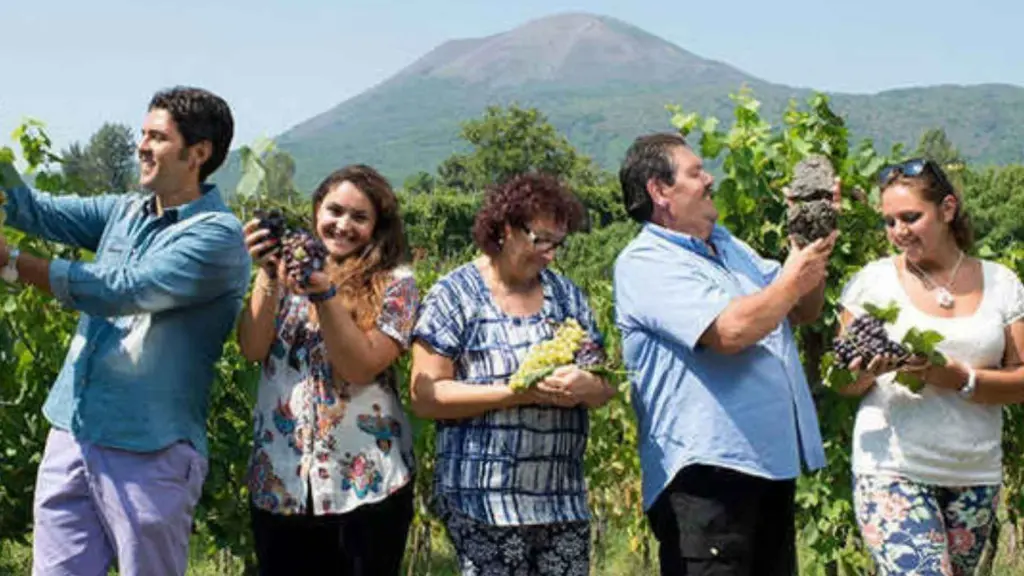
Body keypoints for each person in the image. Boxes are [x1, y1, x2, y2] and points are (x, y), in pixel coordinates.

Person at [0, 87, 250, 575]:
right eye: (143, 133)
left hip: (148, 449)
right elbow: (34, 209)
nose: (141, 146)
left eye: (157, 136)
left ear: (198, 153)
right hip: (72, 431)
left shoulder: (217, 236)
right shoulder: (126, 211)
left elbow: (123, 289)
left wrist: (11, 262)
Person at [613, 132, 839, 575]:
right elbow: (731, 331)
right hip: (707, 478)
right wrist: (792, 279)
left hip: (769, 466)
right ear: (660, 191)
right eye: (696, 172)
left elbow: (802, 309)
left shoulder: (731, 247)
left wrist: (814, 239)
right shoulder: (646, 261)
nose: (709, 178)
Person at [409, 172, 616, 576]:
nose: (551, 254)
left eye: (558, 243)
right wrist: (517, 393)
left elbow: (605, 383)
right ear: (504, 229)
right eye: (540, 240)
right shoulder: (456, 295)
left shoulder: (567, 296)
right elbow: (426, 396)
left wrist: (585, 386)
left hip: (560, 501)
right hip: (484, 502)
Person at [836, 158, 1024, 575]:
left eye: (910, 217)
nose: (898, 231)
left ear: (948, 209)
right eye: (889, 221)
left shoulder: (1002, 284)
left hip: (974, 472)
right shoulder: (872, 283)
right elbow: (843, 382)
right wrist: (870, 370)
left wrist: (961, 378)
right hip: (892, 467)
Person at [238, 164, 419, 576]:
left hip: (365, 486)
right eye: (334, 211)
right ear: (317, 209)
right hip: (281, 481)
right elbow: (252, 347)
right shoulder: (286, 272)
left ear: (377, 227)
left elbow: (361, 365)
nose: (342, 225)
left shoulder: (397, 284)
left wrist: (323, 293)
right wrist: (268, 274)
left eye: (359, 217)